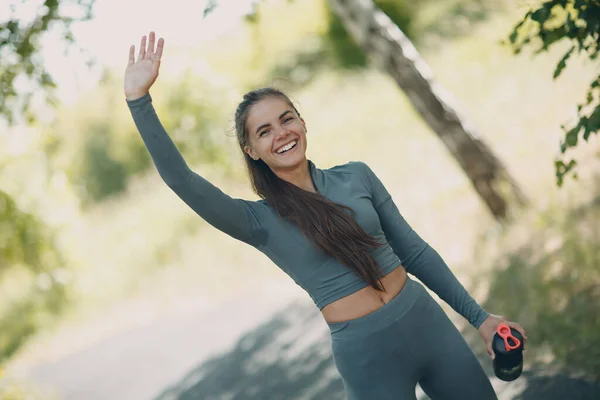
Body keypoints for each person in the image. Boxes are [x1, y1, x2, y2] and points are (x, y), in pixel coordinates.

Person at [124, 31, 526, 400]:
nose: (280, 134)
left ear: (301, 122)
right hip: (368, 358)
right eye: (264, 132)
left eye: (286, 119)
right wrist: (139, 101)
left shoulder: (357, 176)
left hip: (427, 324)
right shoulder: (258, 222)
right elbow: (182, 181)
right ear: (251, 151)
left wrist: (481, 318)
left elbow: (415, 252)